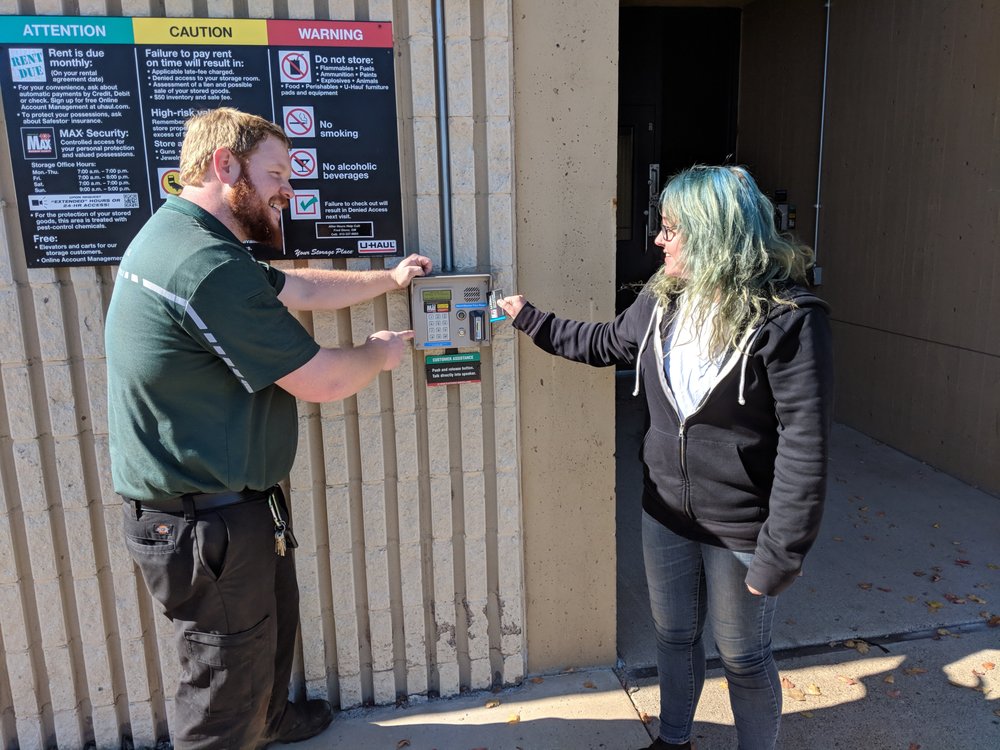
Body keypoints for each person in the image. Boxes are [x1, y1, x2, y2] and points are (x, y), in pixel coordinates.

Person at [104, 107, 431, 749]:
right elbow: (321, 380)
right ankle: (246, 727)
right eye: (276, 173)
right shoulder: (204, 265)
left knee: (267, 635)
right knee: (223, 690)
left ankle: (271, 720)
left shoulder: (190, 239)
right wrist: (379, 353)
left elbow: (297, 288)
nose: (289, 188)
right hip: (206, 524)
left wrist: (388, 279)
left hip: (232, 510)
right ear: (225, 166)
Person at [498, 165, 833, 750]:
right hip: (665, 513)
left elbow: (805, 446)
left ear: (713, 233)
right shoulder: (662, 300)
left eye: (672, 229)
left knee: (743, 658)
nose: (658, 240)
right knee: (674, 639)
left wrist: (782, 551)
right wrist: (532, 319)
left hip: (741, 527)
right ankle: (673, 740)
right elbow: (607, 342)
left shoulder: (789, 318)